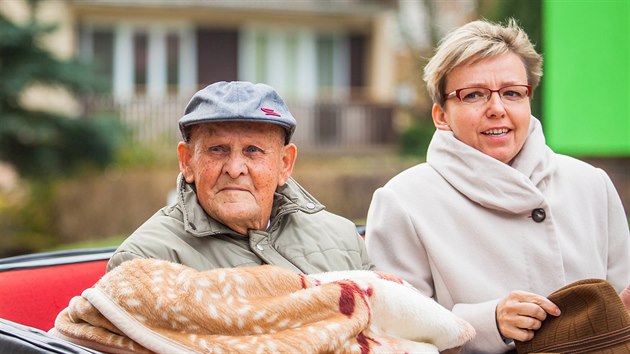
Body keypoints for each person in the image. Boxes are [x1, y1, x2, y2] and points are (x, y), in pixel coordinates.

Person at [364, 18, 630, 353]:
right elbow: (395, 332)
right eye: (473, 95)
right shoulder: (403, 201)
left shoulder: (591, 185)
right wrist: (490, 322)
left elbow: (622, 304)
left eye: (512, 93)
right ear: (441, 115)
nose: (497, 109)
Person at [107, 81, 373, 274]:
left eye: (253, 150)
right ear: (187, 161)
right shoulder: (143, 261)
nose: (234, 168)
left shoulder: (344, 238)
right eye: (217, 149)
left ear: (285, 164)